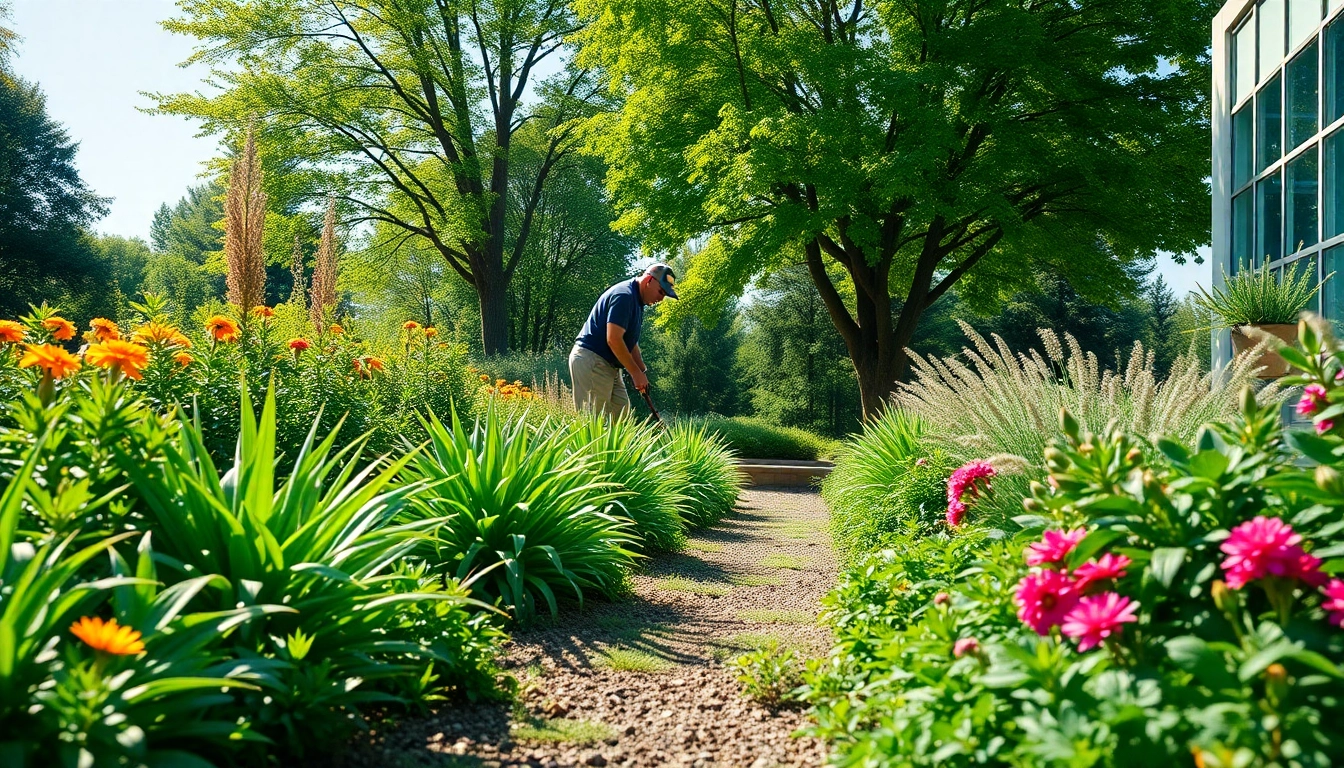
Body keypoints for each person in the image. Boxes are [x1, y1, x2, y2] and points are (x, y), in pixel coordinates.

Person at [569, 263, 678, 414]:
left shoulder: (637, 302)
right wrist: (635, 373)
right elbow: (613, 339)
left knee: (621, 415)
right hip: (593, 360)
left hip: (609, 366)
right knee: (592, 422)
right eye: (661, 292)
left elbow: (631, 343)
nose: (661, 298)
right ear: (648, 280)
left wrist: (642, 371)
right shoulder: (624, 296)